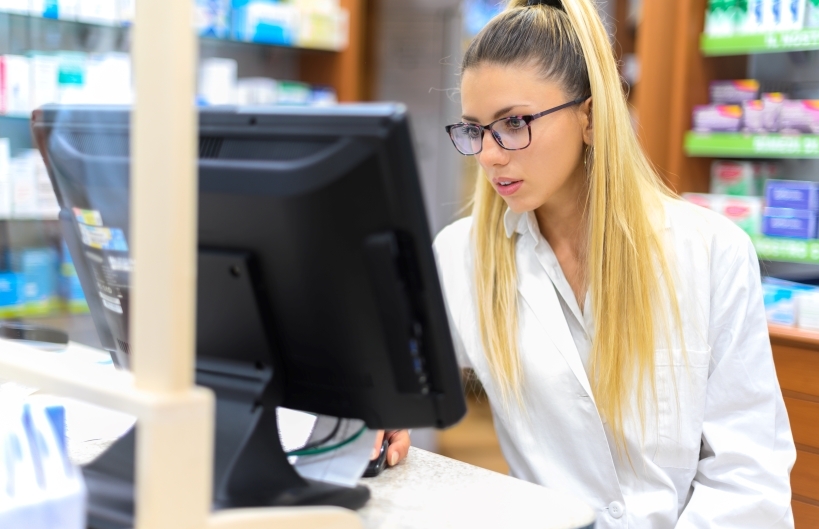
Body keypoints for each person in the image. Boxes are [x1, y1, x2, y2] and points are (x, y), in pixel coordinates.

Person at [374, 0, 796, 527]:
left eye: (514, 123)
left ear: (590, 117)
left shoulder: (710, 252)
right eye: (475, 129)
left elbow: (748, 479)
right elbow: (393, 371)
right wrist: (382, 410)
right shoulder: (463, 257)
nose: (489, 154)